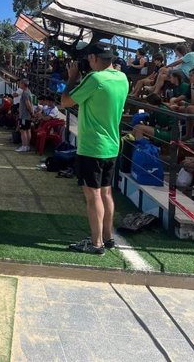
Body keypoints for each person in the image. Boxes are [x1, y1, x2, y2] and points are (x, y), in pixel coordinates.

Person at [61, 42, 129, 255]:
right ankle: (108, 238)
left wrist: (72, 77)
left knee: (93, 196)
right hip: (111, 144)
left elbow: (65, 102)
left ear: (93, 58)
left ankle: (96, 243)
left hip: (92, 146)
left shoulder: (94, 79)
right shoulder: (122, 77)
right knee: (107, 193)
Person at [15, 79, 35, 152]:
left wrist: (31, 113)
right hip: (27, 115)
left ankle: (24, 146)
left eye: (20, 83)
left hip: (24, 115)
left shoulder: (25, 93)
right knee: (27, 130)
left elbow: (27, 104)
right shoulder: (28, 92)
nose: (19, 85)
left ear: (23, 84)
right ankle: (27, 146)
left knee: (23, 130)